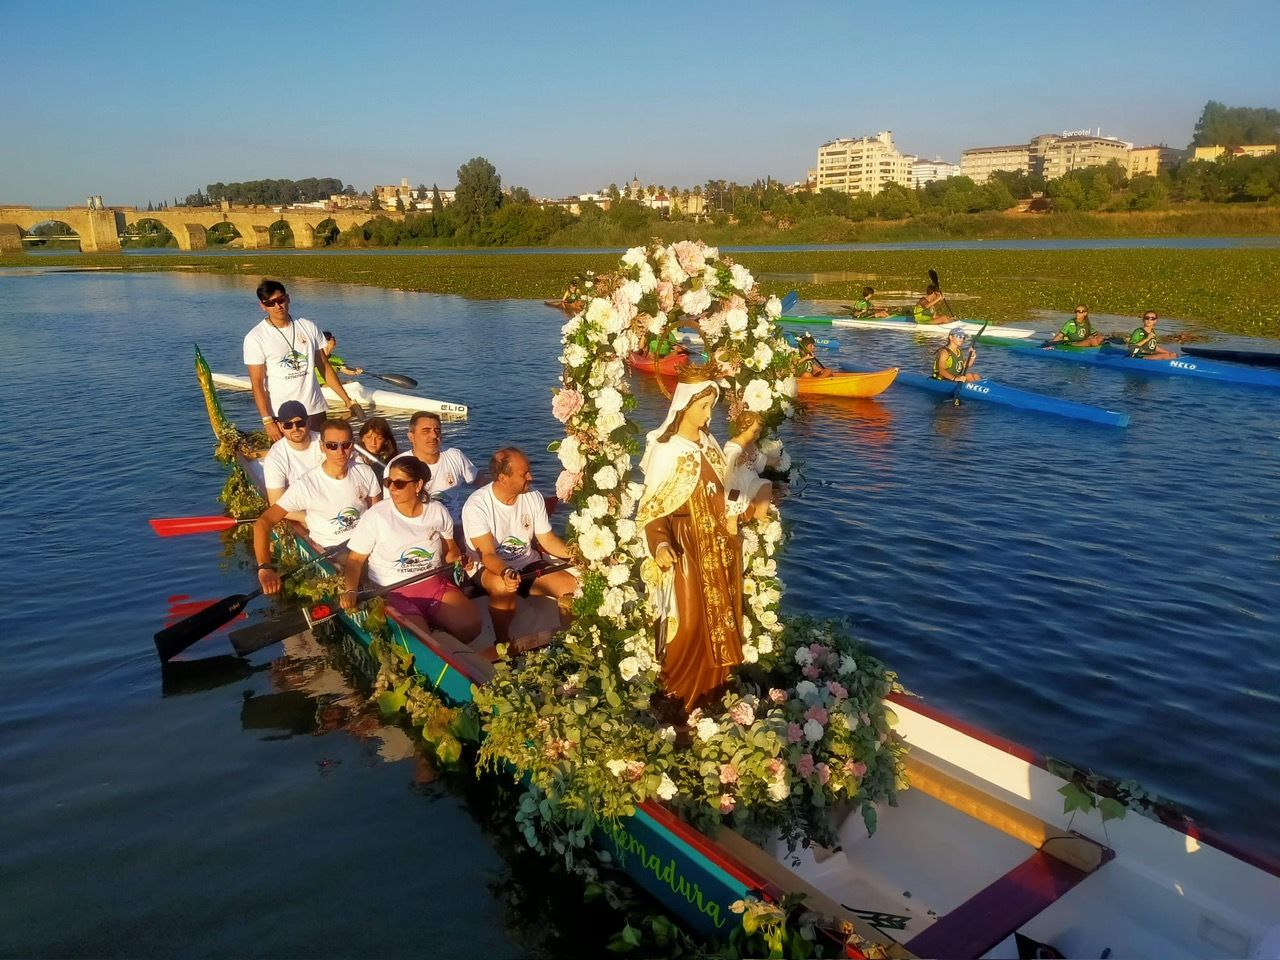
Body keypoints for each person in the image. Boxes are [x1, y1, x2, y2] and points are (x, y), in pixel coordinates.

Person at [636, 372, 744, 714]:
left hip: (716, 545)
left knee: (719, 618)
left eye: (711, 406)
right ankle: (677, 693)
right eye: (703, 406)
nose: (708, 414)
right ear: (684, 406)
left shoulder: (709, 443)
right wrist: (660, 544)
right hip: (684, 545)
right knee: (689, 621)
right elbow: (652, 507)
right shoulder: (666, 450)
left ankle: (713, 691)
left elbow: (726, 488)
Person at [340, 458, 480, 643]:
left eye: (399, 483)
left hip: (433, 584)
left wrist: (460, 559)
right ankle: (429, 630)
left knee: (471, 626)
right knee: (421, 641)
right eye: (388, 482)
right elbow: (355, 560)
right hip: (392, 590)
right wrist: (351, 590)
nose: (392, 488)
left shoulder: (437, 511)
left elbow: (450, 552)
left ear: (418, 485)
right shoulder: (376, 516)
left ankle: (435, 628)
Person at [461, 447, 577, 651]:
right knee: (502, 587)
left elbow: (548, 539)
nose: (530, 477)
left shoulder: (533, 496)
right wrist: (506, 571)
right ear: (503, 478)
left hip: (526, 561)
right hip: (488, 567)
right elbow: (487, 555)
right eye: (524, 474)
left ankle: (570, 642)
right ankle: (503, 646)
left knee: (571, 587)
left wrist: (577, 554)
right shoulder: (477, 506)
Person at [252, 419, 382, 596]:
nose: (340, 451)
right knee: (368, 580)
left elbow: (377, 514)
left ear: (352, 445)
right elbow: (264, 522)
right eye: (332, 446)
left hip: (366, 541)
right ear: (322, 447)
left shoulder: (365, 472)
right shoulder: (307, 485)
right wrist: (264, 567)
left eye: (345, 445)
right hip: (334, 548)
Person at [243, 280, 362, 441]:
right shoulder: (255, 338)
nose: (277, 306)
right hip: (282, 414)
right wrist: (267, 421)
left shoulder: (308, 326)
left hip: (314, 409)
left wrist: (347, 400)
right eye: (270, 303)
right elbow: (257, 384)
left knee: (320, 452)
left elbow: (324, 367)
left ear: (288, 298)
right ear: (263, 306)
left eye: (280, 300)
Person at [386, 412, 476, 525]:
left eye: (437, 431)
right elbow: (390, 507)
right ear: (411, 437)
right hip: (416, 526)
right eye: (426, 431)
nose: (434, 436)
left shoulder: (455, 456)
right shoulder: (396, 466)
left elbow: (481, 483)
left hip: (454, 523)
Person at [261, 400, 325, 506]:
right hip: (301, 508)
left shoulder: (326, 442)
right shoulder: (274, 458)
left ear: (309, 422)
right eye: (288, 425)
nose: (295, 428)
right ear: (280, 427)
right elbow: (276, 505)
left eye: (300, 423)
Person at [723, 410, 778, 533]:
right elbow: (731, 459)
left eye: (759, 432)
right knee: (736, 494)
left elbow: (760, 460)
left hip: (751, 480)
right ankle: (732, 518)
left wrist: (776, 461)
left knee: (766, 484)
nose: (757, 436)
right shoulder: (733, 446)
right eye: (754, 432)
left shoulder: (751, 445)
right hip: (737, 481)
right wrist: (737, 459)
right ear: (742, 429)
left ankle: (760, 513)